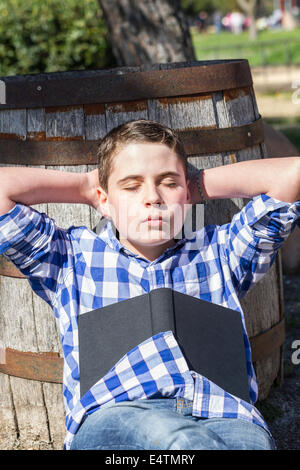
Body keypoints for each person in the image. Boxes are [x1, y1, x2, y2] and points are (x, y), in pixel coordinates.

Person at [0, 119, 299, 451]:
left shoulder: (220, 252)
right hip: (118, 418)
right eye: (131, 186)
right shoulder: (71, 259)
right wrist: (87, 188)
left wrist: (194, 185)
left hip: (225, 417)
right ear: (104, 197)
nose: (153, 198)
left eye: (167, 183)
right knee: (178, 441)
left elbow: (292, 175)